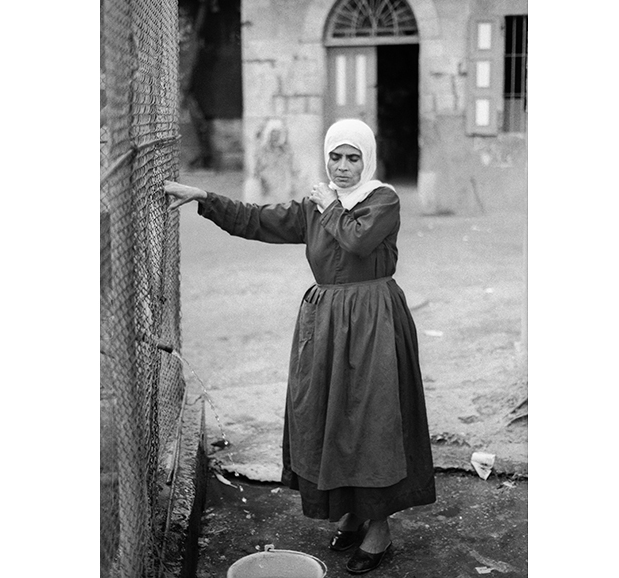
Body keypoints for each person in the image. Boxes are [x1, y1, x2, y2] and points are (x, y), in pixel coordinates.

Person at [164, 119, 436, 575]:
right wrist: (205, 199)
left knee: (371, 420)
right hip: (327, 322)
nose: (343, 166)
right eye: (335, 156)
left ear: (366, 159)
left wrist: (330, 204)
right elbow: (259, 220)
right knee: (331, 417)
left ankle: (380, 528)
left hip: (373, 320)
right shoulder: (315, 206)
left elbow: (358, 240)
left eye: (353, 158)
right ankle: (351, 511)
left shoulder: (383, 199)